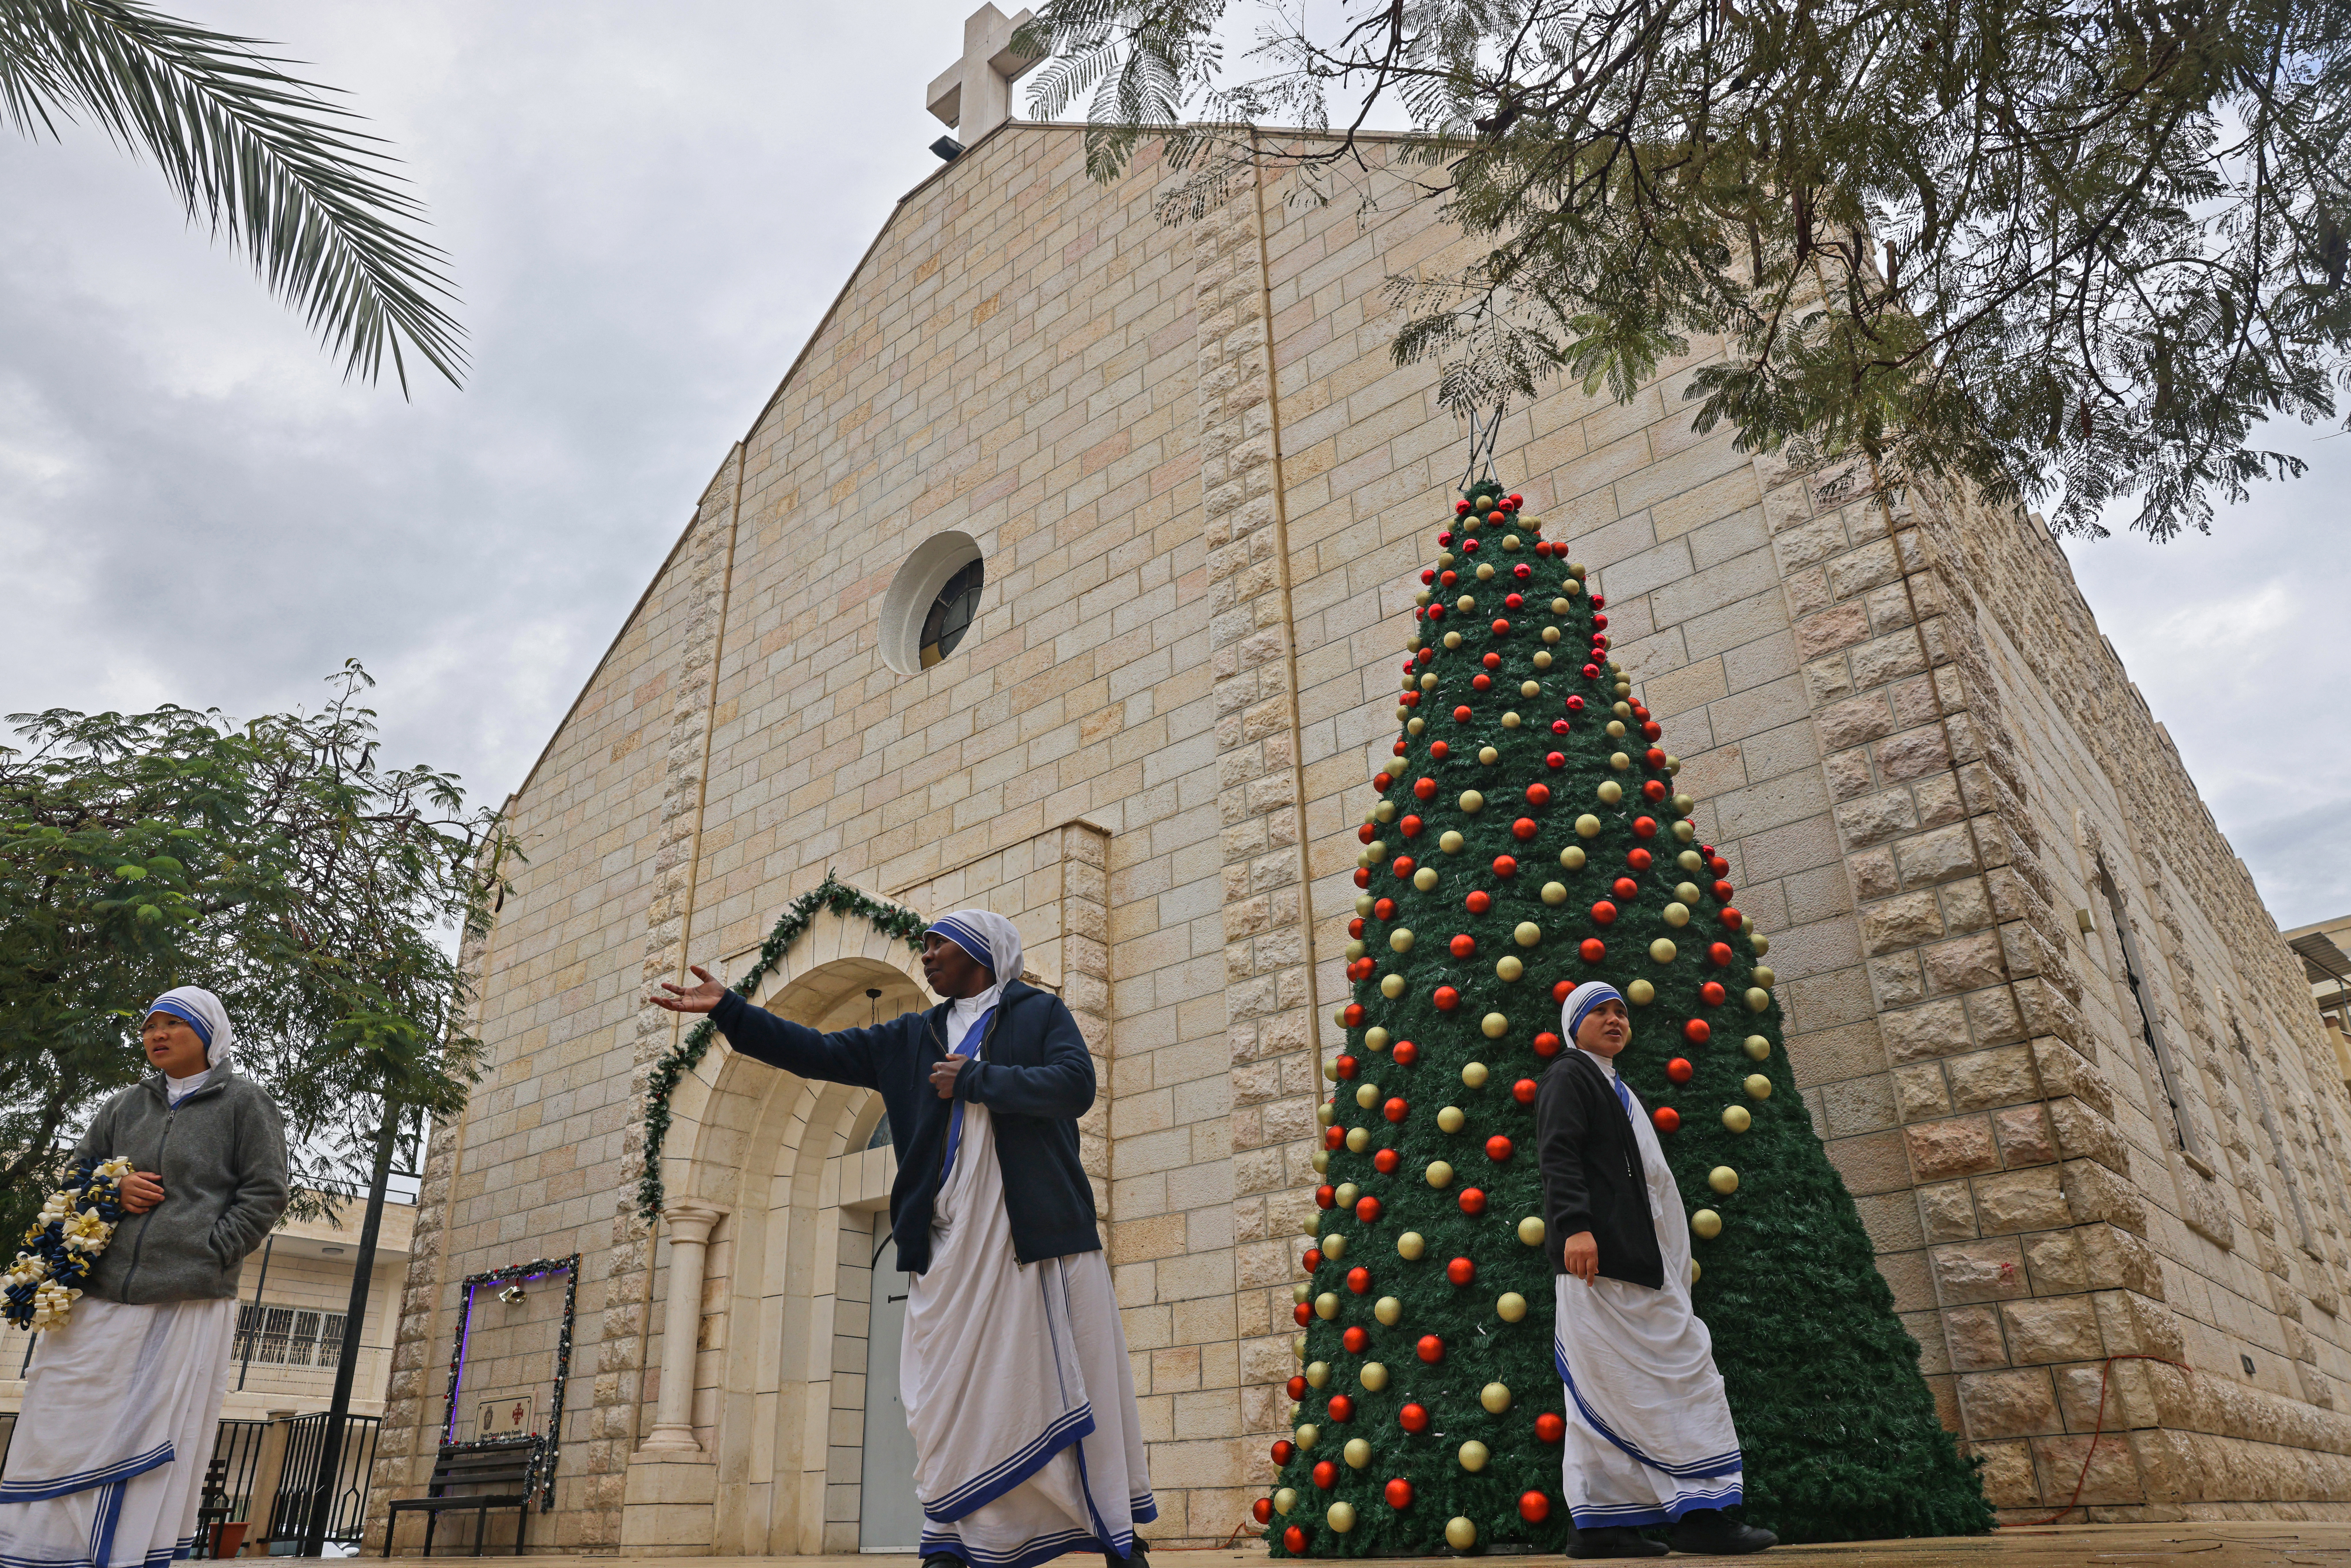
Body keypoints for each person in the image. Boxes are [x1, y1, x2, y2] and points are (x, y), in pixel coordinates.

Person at [653, 911, 1153, 1568]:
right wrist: (732, 1012)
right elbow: (816, 1051)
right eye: (924, 944)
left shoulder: (1036, 1013)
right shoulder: (911, 1037)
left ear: (979, 953)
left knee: (1058, 1381)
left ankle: (1115, 1534)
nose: (927, 953)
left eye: (939, 943)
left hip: (1028, 1235)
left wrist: (976, 1079)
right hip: (946, 1245)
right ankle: (951, 1535)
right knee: (941, 1396)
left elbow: (1075, 1086)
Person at [0, 986, 291, 1568]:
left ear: (209, 1035)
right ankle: (37, 1552)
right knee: (59, 1415)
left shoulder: (245, 1103)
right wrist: (112, 1188)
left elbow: (266, 1191)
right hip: (98, 1292)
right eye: (150, 1025)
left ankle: (130, 1553)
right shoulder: (123, 1106)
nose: (157, 1033)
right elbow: (75, 1177)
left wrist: (210, 1250)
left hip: (185, 1298)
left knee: (153, 1433)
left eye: (173, 1024)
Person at [1536, 981, 1775, 1559]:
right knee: (1679, 1375)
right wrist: (1575, 1226)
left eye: (1621, 1010)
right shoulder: (1571, 1075)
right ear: (1575, 1024)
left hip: (1639, 1269)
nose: (1615, 1019)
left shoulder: (1614, 1083)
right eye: (1600, 1011)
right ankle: (1704, 1514)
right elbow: (1559, 1153)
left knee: (1610, 1391)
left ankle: (1599, 1525)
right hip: (1607, 1265)